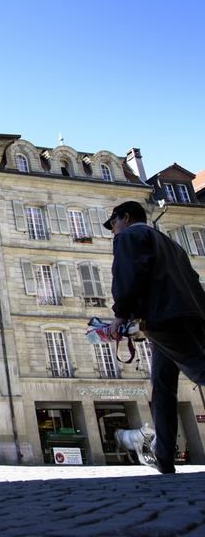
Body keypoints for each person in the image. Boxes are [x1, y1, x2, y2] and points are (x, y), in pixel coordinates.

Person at [104, 200, 205, 474]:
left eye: (112, 223)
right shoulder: (171, 244)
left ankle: (163, 457)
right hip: (190, 314)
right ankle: (163, 457)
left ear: (124, 217)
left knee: (200, 370)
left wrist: (120, 315)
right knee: (162, 387)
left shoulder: (130, 236)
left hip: (163, 318)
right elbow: (193, 279)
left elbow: (127, 277)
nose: (112, 230)